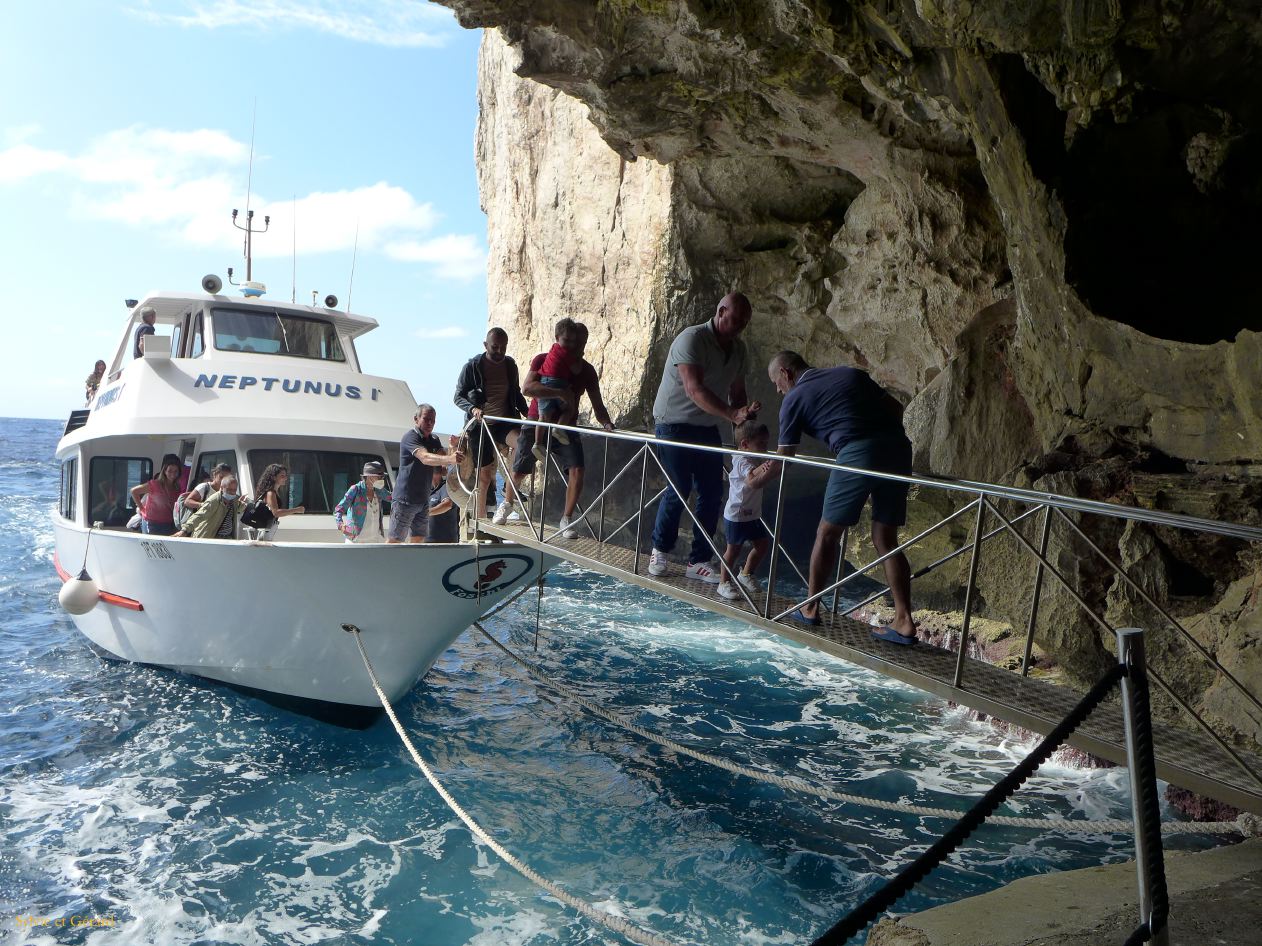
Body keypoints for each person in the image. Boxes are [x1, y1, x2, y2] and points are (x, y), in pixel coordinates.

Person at [768, 350, 917, 644]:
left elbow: (784, 457)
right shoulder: (849, 374)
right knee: (885, 538)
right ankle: (903, 620)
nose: (777, 389)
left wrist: (752, 479)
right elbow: (896, 408)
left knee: (827, 533)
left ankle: (810, 607)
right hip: (898, 449)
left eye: (776, 382)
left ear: (786, 373)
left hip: (858, 452)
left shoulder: (794, 398)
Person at [649, 292, 760, 582]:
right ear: (721, 311)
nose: (739, 326)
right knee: (679, 487)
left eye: (744, 323)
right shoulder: (692, 339)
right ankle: (660, 550)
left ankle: (698, 560)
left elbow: (737, 393)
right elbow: (693, 389)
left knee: (712, 492)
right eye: (736, 319)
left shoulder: (739, 349)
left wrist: (744, 427)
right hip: (673, 423)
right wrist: (732, 414)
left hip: (706, 427)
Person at [499, 320, 615, 539]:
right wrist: (560, 394)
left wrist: (607, 424)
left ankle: (566, 519)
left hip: (565, 425)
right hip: (538, 420)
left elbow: (597, 404)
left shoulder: (587, 370)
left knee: (577, 469)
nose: (576, 347)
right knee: (520, 468)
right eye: (572, 342)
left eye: (581, 343)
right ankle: (506, 504)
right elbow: (527, 388)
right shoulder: (543, 359)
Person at [454, 327, 529, 519]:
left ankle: (508, 496)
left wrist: (528, 413)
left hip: (504, 421)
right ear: (485, 345)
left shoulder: (510, 365)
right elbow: (458, 397)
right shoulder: (472, 367)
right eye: (495, 347)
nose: (500, 351)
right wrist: (473, 409)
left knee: (522, 443)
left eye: (503, 347)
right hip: (481, 425)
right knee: (485, 476)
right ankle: (481, 518)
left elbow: (516, 392)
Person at [717, 421, 777, 601]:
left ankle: (746, 573)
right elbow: (751, 478)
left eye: (766, 443)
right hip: (737, 514)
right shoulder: (742, 460)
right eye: (761, 443)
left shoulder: (752, 456)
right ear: (744, 444)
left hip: (752, 514)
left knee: (762, 545)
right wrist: (766, 467)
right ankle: (723, 583)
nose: (765, 447)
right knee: (733, 551)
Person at [391, 404, 462, 544]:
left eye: (433, 420)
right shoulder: (410, 437)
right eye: (426, 419)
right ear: (416, 419)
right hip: (405, 499)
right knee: (395, 540)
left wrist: (453, 446)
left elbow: (444, 462)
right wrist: (450, 458)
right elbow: (425, 457)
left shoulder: (434, 440)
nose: (430, 423)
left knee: (418, 540)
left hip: (423, 500)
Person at [531, 324, 581, 459]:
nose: (570, 345)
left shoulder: (553, 349)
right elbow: (576, 370)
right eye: (567, 340)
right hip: (559, 383)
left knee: (543, 417)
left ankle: (537, 443)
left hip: (545, 382)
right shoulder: (566, 354)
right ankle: (559, 428)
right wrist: (579, 357)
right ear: (557, 338)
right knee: (569, 408)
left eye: (572, 342)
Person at [335, 461, 392, 544]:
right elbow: (338, 509)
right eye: (379, 477)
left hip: (373, 540)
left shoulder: (379, 490)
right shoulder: (356, 489)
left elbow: (393, 499)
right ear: (369, 477)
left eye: (382, 477)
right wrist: (340, 525)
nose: (381, 479)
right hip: (355, 541)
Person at [130, 453, 183, 536]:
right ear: (165, 471)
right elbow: (134, 491)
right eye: (170, 471)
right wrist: (142, 508)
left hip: (169, 524)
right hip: (152, 524)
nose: (173, 474)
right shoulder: (154, 484)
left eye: (176, 471)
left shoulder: (177, 487)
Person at [179, 473, 244, 540]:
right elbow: (200, 515)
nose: (232, 493)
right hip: (210, 538)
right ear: (222, 488)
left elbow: (237, 510)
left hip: (226, 538)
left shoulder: (234, 500)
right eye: (229, 490)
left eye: (234, 490)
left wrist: (242, 505)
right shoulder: (214, 500)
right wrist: (185, 530)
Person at [253, 464, 306, 540]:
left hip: (267, 530)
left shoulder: (274, 492)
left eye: (285, 476)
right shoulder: (270, 493)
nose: (285, 478)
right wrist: (297, 510)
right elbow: (276, 513)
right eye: (282, 476)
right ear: (274, 477)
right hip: (264, 532)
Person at [176, 462, 232, 530]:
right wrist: (202, 505)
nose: (223, 481)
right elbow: (187, 501)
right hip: (199, 528)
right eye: (221, 477)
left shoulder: (226, 491)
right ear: (214, 475)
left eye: (226, 479)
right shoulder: (204, 487)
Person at [426, 465, 460, 543]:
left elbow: (447, 505)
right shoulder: (427, 490)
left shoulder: (445, 487)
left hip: (444, 542)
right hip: (425, 541)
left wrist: (426, 512)